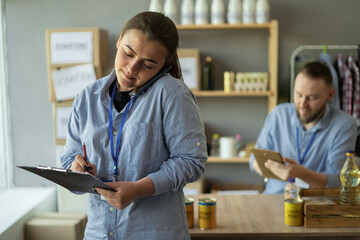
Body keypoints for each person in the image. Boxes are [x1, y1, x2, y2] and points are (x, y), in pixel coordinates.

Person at [61, 11, 207, 239]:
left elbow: (191, 161)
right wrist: (76, 170)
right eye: (127, 53)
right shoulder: (86, 97)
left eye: (148, 65)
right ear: (119, 41)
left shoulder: (173, 95)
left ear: (163, 67)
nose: (131, 69)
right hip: (99, 233)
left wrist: (139, 189)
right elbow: (70, 157)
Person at [249, 61, 357, 194]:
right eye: (298, 95)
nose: (302, 104)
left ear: (330, 95)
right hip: (275, 198)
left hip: (317, 204)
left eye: (312, 98)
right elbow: (253, 160)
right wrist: (267, 167)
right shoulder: (278, 114)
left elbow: (339, 180)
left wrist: (301, 174)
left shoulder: (345, 125)